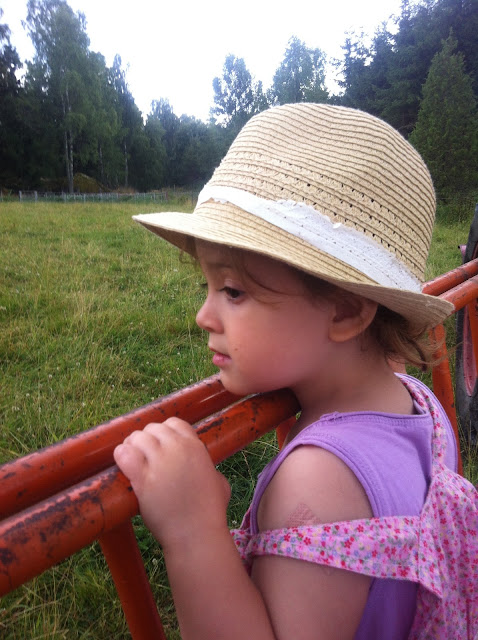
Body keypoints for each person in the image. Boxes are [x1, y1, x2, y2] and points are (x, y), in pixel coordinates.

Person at [113, 103, 472, 639]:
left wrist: (192, 531)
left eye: (233, 290)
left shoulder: (319, 480)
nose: (203, 315)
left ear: (345, 312)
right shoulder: (419, 404)